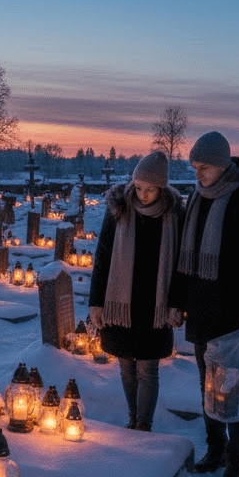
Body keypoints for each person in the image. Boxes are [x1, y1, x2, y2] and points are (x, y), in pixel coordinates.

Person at [170, 131, 239, 477]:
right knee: (207, 386)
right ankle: (215, 450)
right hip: (200, 309)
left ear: (224, 165)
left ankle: (237, 458)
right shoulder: (195, 201)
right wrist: (176, 303)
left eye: (205, 167)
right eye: (195, 167)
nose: (198, 174)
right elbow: (183, 261)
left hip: (232, 311)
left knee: (234, 387)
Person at [89, 150, 183, 432]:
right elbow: (103, 254)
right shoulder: (120, 207)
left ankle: (143, 424)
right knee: (126, 367)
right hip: (121, 300)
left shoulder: (174, 213)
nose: (142, 194)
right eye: (139, 187)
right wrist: (96, 303)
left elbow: (179, 262)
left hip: (155, 302)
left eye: (150, 189)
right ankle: (133, 418)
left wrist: (177, 302)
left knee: (148, 369)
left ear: (162, 188)